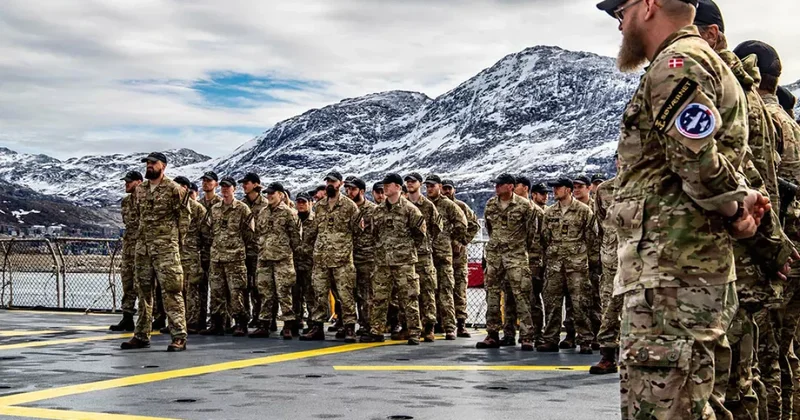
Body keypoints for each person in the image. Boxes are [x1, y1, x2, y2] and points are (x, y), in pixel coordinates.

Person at [595, 1, 769, 417]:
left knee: (664, 407)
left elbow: (695, 158)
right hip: (683, 268)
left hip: (672, 272)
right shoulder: (698, 61)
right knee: (691, 400)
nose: (620, 25)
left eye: (622, 12)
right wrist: (737, 204)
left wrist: (733, 209)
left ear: (649, 6)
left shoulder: (677, 63)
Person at [735, 39, 800, 420]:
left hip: (774, 250)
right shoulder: (791, 123)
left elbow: (761, 188)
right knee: (785, 353)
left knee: (762, 359)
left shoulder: (760, 116)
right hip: (792, 247)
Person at [120, 152, 190, 352]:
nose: (149, 166)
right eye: (147, 163)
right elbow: (137, 217)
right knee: (143, 292)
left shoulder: (174, 189)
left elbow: (185, 217)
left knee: (172, 292)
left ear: (163, 166)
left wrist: (175, 242)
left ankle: (179, 336)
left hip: (166, 249)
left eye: (153, 163)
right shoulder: (140, 190)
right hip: (143, 249)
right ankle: (141, 335)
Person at [361, 173, 427, 345]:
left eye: (388, 184)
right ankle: (377, 331)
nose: (385, 187)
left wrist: (405, 250)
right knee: (379, 298)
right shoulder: (378, 211)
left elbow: (420, 235)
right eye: (384, 184)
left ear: (398, 187)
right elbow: (374, 234)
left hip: (403, 262)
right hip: (383, 262)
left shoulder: (410, 209)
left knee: (409, 297)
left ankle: (414, 332)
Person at [537, 177, 597, 355]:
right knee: (552, 303)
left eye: (558, 188)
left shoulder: (583, 211)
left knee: (580, 303)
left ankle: (585, 339)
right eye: (553, 188)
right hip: (555, 265)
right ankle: (551, 339)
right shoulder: (550, 212)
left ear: (568, 190)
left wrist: (591, 263)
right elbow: (544, 237)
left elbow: (592, 238)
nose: (554, 191)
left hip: (577, 265)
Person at [477, 173, 536, 351]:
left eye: (501, 184)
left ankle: (526, 336)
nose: (497, 187)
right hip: (495, 256)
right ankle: (492, 334)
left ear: (511, 186)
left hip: (516, 255)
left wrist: (519, 248)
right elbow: (489, 227)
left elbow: (532, 233)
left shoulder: (525, 206)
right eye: (496, 184)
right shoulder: (490, 204)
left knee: (521, 296)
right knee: (492, 295)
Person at [300, 171, 360, 342]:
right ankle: (317, 327)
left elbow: (357, 232)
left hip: (342, 260)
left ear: (340, 184)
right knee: (319, 293)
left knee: (345, 294)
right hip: (321, 259)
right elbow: (312, 232)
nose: (330, 185)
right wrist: (306, 249)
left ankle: (349, 327)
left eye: (333, 182)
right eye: (327, 182)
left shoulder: (349, 206)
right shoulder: (319, 206)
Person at [201, 176, 254, 337]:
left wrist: (236, 246)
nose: (224, 190)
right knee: (216, 292)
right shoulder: (215, 209)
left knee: (236, 292)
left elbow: (249, 234)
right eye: (222, 187)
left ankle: (240, 323)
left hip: (235, 258)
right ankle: (217, 323)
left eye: (228, 187)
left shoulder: (242, 209)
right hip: (217, 257)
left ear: (234, 189)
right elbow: (208, 230)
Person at [251, 182, 301, 339]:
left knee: (284, 292)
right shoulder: (263, 213)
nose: (269, 196)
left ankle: (288, 325)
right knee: (265, 292)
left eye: (273, 193)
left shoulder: (289, 213)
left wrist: (289, 254)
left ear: (281, 194)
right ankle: (264, 324)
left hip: (282, 260)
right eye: (268, 193)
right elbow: (258, 232)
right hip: (265, 259)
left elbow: (296, 238)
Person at [425, 175, 468, 341]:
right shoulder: (424, 205)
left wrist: (457, 241)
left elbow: (464, 224)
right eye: (427, 186)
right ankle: (431, 324)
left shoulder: (449, 205)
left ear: (439, 186)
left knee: (447, 292)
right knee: (429, 293)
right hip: (428, 255)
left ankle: (451, 327)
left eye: (433, 186)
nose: (430, 189)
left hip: (444, 255)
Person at [442, 179, 481, 338]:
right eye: (443, 188)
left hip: (458, 257)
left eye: (448, 188)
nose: (445, 191)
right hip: (441, 256)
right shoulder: (435, 206)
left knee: (459, 290)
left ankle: (461, 324)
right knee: (442, 291)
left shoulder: (461, 207)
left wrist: (461, 241)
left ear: (454, 190)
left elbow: (474, 225)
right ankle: (443, 323)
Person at [405, 172, 442, 342]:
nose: (410, 184)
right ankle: (412, 326)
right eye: (407, 182)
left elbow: (436, 227)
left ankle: (429, 327)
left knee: (427, 292)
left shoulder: (427, 206)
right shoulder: (402, 204)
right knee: (409, 293)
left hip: (424, 255)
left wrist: (426, 242)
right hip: (406, 255)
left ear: (419, 184)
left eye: (413, 182)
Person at [173, 177, 209, 336]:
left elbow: (207, 235)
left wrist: (203, 255)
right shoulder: (172, 206)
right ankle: (177, 322)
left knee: (192, 291)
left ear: (186, 188)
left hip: (192, 256)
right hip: (175, 255)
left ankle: (193, 322)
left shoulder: (197, 209)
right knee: (176, 290)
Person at [110, 171, 143, 332]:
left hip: (143, 248)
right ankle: (127, 317)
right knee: (127, 283)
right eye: (126, 182)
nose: (126, 184)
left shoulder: (146, 200)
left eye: (130, 182)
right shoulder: (125, 202)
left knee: (143, 285)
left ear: (139, 182)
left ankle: (147, 319)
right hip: (129, 247)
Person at [345, 176, 378, 335]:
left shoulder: (372, 210)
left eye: (353, 189)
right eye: (347, 189)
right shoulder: (346, 208)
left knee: (366, 294)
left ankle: (367, 325)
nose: (349, 192)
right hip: (347, 257)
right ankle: (349, 324)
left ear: (362, 191)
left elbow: (379, 234)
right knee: (349, 293)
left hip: (366, 257)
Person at [239, 172, 266, 329]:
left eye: (247, 183)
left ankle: (260, 317)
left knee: (258, 287)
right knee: (243, 286)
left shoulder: (265, 205)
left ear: (256, 184)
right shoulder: (241, 205)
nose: (244, 185)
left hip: (259, 251)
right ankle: (245, 316)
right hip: (243, 251)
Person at [198, 171, 223, 331]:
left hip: (217, 252)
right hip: (202, 252)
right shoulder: (199, 205)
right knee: (200, 288)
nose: (206, 183)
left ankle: (220, 321)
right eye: (204, 181)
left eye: (209, 181)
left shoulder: (221, 204)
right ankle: (199, 320)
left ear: (216, 184)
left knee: (217, 289)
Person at [294, 192, 316, 333]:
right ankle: (296, 320)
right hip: (295, 262)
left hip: (310, 263)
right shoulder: (293, 220)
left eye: (304, 202)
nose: (301, 205)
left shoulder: (316, 221)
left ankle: (313, 323)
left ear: (310, 203)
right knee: (294, 294)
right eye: (299, 202)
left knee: (311, 295)